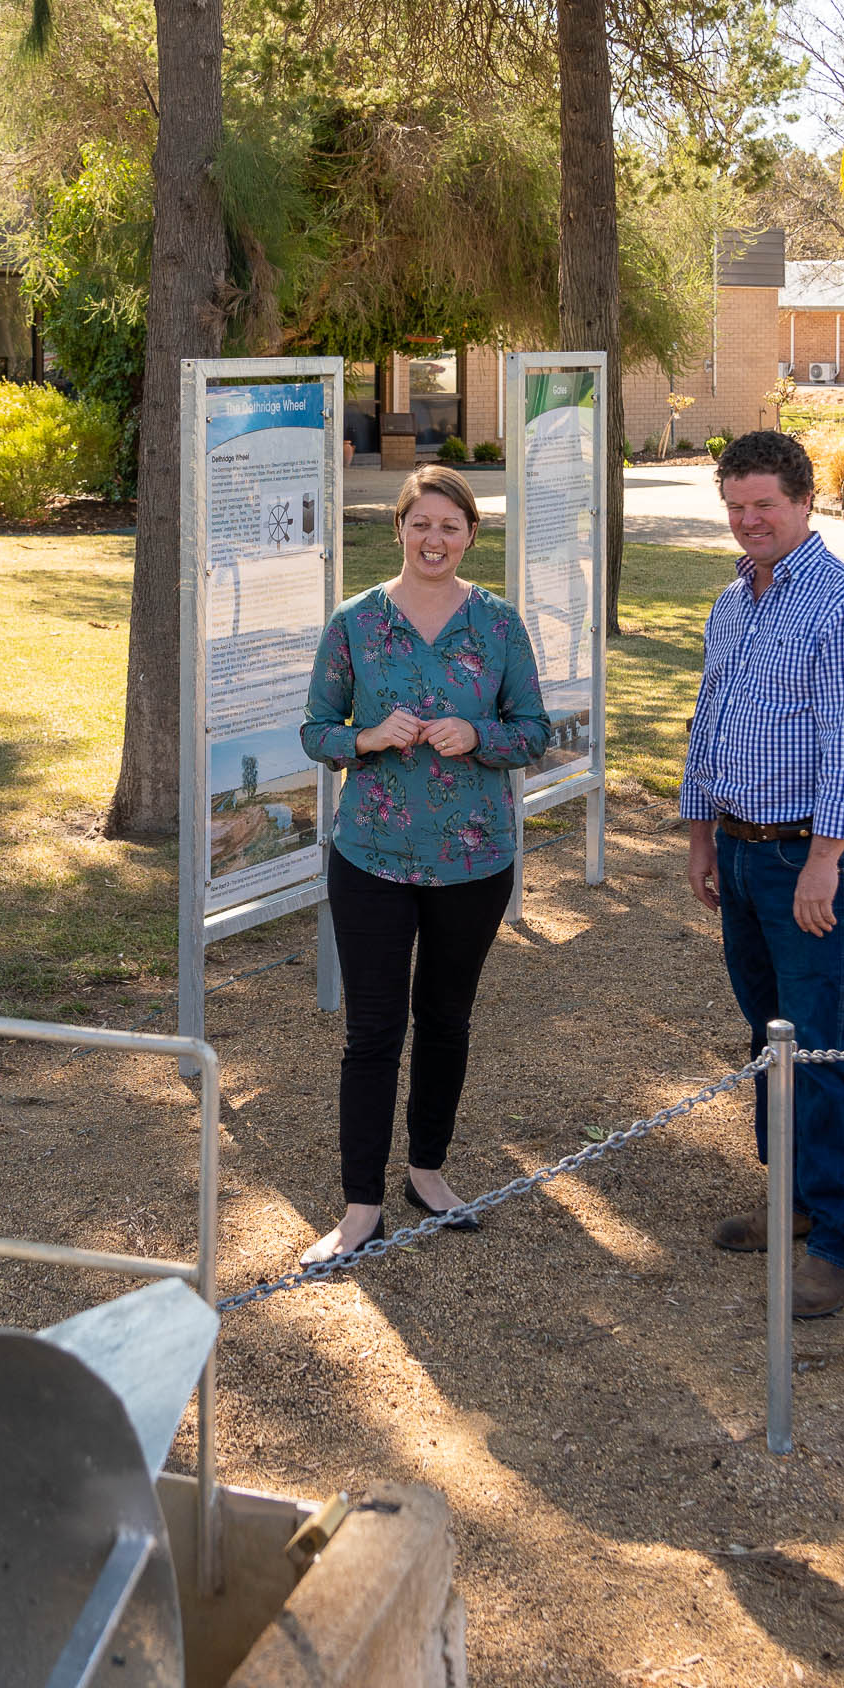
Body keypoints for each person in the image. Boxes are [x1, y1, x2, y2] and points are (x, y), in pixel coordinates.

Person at [679, 428, 844, 1317]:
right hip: (738, 851)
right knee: (767, 1035)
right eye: (735, 507)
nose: (748, 522)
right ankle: (797, 1201)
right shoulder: (734, 602)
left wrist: (824, 863)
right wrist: (701, 838)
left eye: (765, 505)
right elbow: (709, 726)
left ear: (806, 502)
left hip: (802, 857)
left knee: (817, 1044)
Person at [297, 464, 553, 1262]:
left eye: (450, 526)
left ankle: (428, 1172)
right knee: (374, 1031)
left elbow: (536, 730)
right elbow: (315, 730)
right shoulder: (356, 622)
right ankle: (360, 1206)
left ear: (471, 535)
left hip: (473, 863)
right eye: (421, 524)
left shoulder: (499, 626)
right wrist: (366, 738)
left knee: (446, 1022)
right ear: (399, 529)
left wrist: (479, 736)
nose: (434, 539)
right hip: (371, 856)